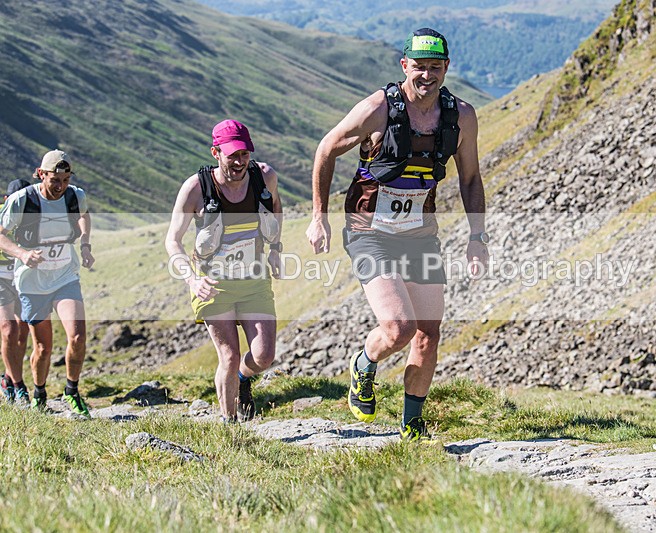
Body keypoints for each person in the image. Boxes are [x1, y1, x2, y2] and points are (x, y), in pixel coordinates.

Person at [305, 28, 489, 441]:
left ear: (446, 68)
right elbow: (325, 150)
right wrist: (319, 216)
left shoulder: (461, 116)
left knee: (428, 333)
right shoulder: (378, 109)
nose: (427, 75)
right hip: (369, 230)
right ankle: (365, 363)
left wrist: (477, 236)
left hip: (419, 233)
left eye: (435, 67)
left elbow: (471, 177)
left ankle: (411, 426)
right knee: (400, 327)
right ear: (405, 66)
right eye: (419, 67)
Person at [165, 119, 283, 423]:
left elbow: (276, 209)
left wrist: (276, 249)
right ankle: (230, 424)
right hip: (213, 284)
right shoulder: (196, 188)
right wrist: (191, 279)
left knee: (263, 356)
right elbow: (172, 241)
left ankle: (244, 380)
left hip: (254, 280)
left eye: (244, 154)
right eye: (232, 155)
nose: (239, 161)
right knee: (228, 356)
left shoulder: (264, 177)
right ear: (215, 152)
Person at [0, 150, 95, 417]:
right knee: (43, 347)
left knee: (77, 336)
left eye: (65, 180)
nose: (60, 186)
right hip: (32, 282)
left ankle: (72, 391)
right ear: (41, 174)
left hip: (65, 276)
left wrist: (85, 244)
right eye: (55, 180)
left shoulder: (75, 195)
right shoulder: (22, 200)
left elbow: (83, 215)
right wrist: (22, 253)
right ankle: (39, 392)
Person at [0, 179, 32, 407]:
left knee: (22, 333)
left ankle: (8, 379)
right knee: (9, 330)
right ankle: (19, 387)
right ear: (6, 201)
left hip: (24, 280)